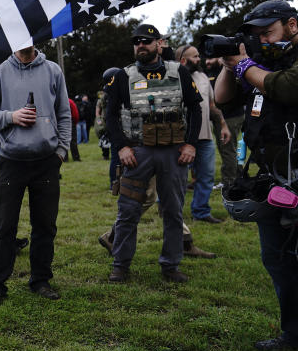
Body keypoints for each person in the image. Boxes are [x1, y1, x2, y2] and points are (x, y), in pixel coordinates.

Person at [215, 0, 298, 350]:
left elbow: (287, 88)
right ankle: (292, 334)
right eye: (256, 35)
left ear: (292, 25)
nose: (263, 40)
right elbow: (222, 97)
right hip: (272, 181)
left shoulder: (281, 66)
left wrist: (246, 64)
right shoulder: (260, 64)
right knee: (276, 258)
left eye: (268, 32)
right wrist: (229, 60)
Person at [103, 24, 202, 284]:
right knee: (128, 211)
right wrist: (122, 147)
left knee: (173, 211)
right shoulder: (123, 76)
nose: (140, 45)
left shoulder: (178, 71)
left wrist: (191, 144)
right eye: (136, 42)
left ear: (159, 44)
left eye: (146, 41)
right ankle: (120, 265)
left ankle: (171, 265)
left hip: (174, 153)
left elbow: (195, 109)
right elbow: (110, 115)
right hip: (138, 153)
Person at [0, 44, 71, 307]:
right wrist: (12, 116)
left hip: (46, 161)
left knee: (45, 225)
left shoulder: (53, 71)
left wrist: (61, 151)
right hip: (11, 161)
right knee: (3, 226)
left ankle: (41, 280)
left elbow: (64, 113)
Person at [177, 45, 231, 223]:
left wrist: (223, 125)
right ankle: (169, 209)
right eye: (195, 56)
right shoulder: (172, 78)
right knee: (177, 177)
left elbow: (212, 106)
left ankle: (200, 212)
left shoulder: (202, 77)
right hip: (180, 138)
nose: (199, 59)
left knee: (206, 176)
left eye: (198, 56)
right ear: (183, 60)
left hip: (205, 136)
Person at [205, 56, 246, 189]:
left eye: (210, 58)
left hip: (231, 117)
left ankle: (228, 181)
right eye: (205, 59)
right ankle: (238, 176)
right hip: (222, 117)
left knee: (228, 149)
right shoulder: (209, 72)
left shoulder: (227, 70)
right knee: (228, 149)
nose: (207, 62)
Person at [68, 97, 81, 162]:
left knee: (62, 141)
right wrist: (75, 122)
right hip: (71, 122)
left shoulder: (58, 101)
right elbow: (75, 114)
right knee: (73, 141)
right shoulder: (70, 101)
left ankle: (64, 158)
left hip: (60, 123)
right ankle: (76, 157)